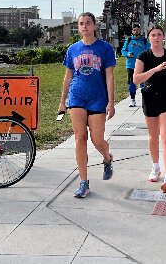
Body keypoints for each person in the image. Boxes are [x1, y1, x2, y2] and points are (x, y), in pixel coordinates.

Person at [58, 12, 116, 198]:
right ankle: (83, 181)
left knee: (97, 140)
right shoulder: (73, 49)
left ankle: (107, 158)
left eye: (88, 23)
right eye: (81, 24)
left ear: (94, 26)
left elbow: (109, 76)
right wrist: (62, 102)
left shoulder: (105, 49)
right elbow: (68, 77)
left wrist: (111, 102)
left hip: (97, 98)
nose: (84, 27)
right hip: (77, 97)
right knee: (80, 137)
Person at [133, 25, 166, 193]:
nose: (156, 37)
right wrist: (155, 69)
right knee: (153, 136)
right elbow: (136, 79)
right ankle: (156, 167)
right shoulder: (143, 56)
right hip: (149, 97)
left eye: (159, 34)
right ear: (149, 38)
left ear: (163, 37)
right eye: (153, 35)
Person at [121, 23, 150, 107]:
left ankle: (145, 100)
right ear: (132, 31)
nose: (136, 31)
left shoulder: (144, 41)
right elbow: (123, 51)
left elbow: (149, 51)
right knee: (132, 83)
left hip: (141, 65)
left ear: (140, 30)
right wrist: (127, 54)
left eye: (137, 29)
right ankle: (132, 100)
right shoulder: (129, 40)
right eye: (134, 29)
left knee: (143, 83)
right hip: (131, 65)